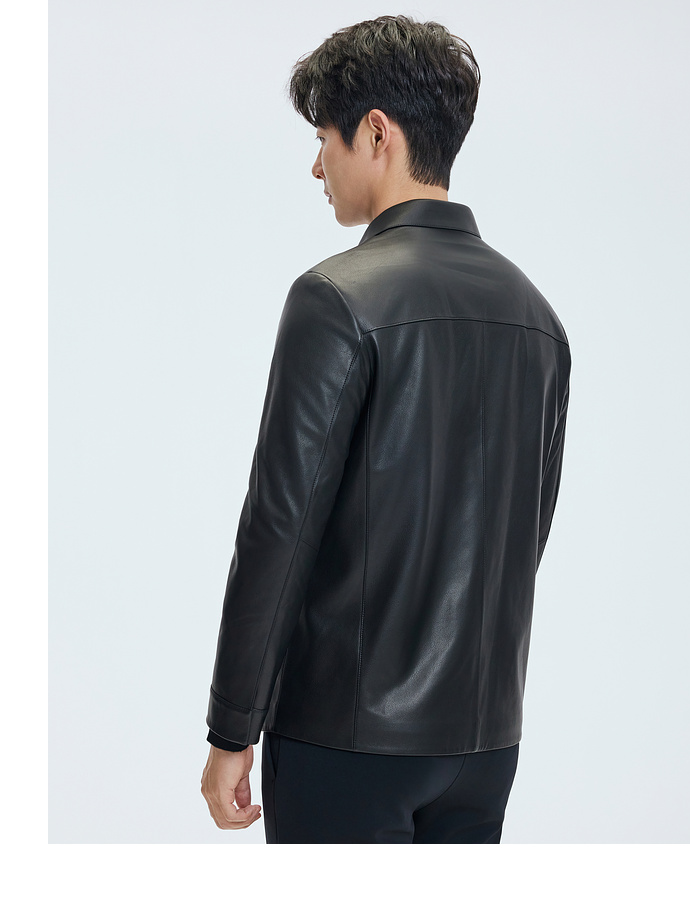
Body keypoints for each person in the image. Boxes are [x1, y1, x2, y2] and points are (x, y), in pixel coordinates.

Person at [200, 14, 571, 844]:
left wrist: (231, 728)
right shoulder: (537, 317)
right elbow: (525, 533)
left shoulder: (335, 298)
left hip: (346, 735)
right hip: (485, 742)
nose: (316, 166)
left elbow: (279, 526)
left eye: (323, 139)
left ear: (376, 132)